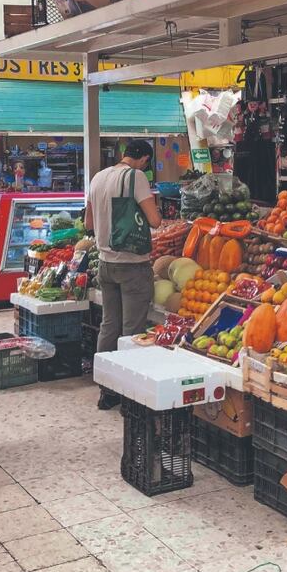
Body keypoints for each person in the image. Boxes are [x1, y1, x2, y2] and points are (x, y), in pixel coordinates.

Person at [84, 140, 162, 410]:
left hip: (105, 264)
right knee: (132, 330)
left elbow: (88, 224)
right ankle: (130, 397)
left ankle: (107, 391)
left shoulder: (98, 177)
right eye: (147, 163)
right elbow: (154, 221)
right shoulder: (135, 177)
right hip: (133, 264)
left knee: (109, 326)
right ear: (143, 159)